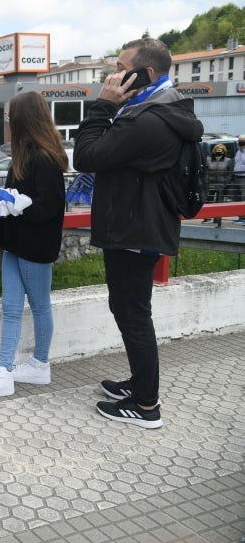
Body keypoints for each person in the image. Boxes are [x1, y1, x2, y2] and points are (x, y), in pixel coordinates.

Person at [74, 37, 203, 429]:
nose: (113, 75)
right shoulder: (162, 110)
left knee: (133, 316)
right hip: (141, 225)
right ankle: (139, 384)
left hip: (135, 230)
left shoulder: (148, 120)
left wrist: (103, 105)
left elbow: (86, 156)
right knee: (131, 311)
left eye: (119, 67)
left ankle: (147, 406)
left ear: (145, 73)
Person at [0, 92, 68, 402]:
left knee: (37, 306)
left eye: (11, 117)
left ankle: (36, 365)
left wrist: (13, 205)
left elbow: (49, 207)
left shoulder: (43, 157)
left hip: (32, 245)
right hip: (17, 243)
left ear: (23, 120)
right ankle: (6, 371)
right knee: (12, 308)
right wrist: (3, 200)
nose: (8, 123)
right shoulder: (28, 154)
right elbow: (26, 198)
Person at [203, 143, 232, 226]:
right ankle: (207, 217)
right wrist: (206, 180)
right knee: (208, 201)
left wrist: (226, 183)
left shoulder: (228, 160)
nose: (218, 151)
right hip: (210, 184)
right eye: (217, 150)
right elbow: (205, 171)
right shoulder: (208, 159)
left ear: (223, 152)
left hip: (221, 184)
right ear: (214, 151)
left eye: (220, 150)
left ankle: (217, 219)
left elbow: (230, 173)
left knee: (219, 202)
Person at [234, 135, 245, 225]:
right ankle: (240, 217)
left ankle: (243, 217)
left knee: (243, 197)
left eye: (242, 140)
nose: (240, 141)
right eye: (239, 140)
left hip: (243, 177)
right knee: (237, 197)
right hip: (236, 177)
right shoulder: (238, 151)